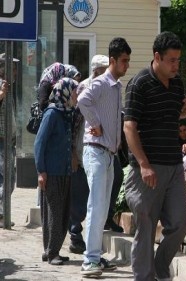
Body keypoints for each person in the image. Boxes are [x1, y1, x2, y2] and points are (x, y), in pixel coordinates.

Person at [123, 31, 186, 281]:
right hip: (147, 170)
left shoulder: (176, 83)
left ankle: (159, 267)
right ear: (157, 57)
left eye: (179, 60)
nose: (177, 65)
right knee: (145, 225)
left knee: (180, 223)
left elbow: (170, 115)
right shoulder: (139, 83)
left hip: (174, 166)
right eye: (172, 60)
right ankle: (144, 277)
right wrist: (143, 164)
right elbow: (129, 127)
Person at [77, 37, 131, 277]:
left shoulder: (116, 86)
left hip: (108, 154)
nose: (126, 65)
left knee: (102, 207)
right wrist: (96, 124)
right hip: (96, 151)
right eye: (123, 61)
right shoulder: (100, 83)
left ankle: (95, 256)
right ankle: (90, 261)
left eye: (127, 61)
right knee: (96, 207)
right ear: (112, 60)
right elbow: (82, 100)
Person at [68, 54, 122, 255]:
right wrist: (73, 152)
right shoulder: (87, 87)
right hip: (86, 150)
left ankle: (95, 247)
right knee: (84, 199)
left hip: (106, 150)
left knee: (104, 194)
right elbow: (74, 123)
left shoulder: (112, 86)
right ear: (97, 69)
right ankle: (77, 236)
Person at [34, 77, 79, 265]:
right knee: (54, 213)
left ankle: (51, 251)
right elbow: (39, 143)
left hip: (65, 172)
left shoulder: (66, 113)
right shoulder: (52, 114)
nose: (77, 95)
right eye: (75, 91)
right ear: (66, 92)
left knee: (62, 212)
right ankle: (52, 253)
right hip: (51, 172)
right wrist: (41, 171)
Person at [0, 55, 18, 227]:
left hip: (8, 141)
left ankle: (2, 214)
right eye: (12, 68)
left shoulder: (9, 87)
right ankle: (1, 214)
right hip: (1, 141)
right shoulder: (1, 85)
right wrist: (1, 94)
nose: (15, 72)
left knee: (8, 179)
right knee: (6, 179)